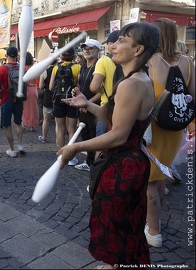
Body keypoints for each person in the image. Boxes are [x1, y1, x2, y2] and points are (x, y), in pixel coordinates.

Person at [59, 22, 160, 268]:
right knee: (126, 223)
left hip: (122, 165)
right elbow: (116, 118)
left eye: (122, 40)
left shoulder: (131, 84)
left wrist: (75, 148)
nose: (112, 46)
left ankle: (114, 264)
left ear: (138, 50)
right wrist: (87, 104)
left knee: (114, 223)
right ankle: (116, 264)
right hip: (130, 163)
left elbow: (118, 135)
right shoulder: (137, 79)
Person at [144, 18, 195, 248]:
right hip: (175, 127)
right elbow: (192, 97)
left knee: (150, 182)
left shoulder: (151, 60)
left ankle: (153, 230)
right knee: (160, 175)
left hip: (153, 127)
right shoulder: (187, 62)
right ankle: (154, 221)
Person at [48, 47, 81, 165]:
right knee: (72, 130)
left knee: (60, 129)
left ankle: (61, 155)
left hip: (58, 101)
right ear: (73, 55)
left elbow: (51, 87)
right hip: (72, 100)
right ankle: (71, 158)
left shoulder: (56, 67)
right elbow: (79, 85)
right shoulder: (77, 67)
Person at [74, 39, 101, 172]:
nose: (87, 50)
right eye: (85, 48)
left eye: (90, 48)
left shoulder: (99, 66)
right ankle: (89, 161)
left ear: (97, 50)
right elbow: (80, 84)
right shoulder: (84, 66)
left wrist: (87, 104)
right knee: (85, 134)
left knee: (94, 135)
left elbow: (102, 92)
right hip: (83, 107)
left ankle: (94, 163)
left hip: (94, 108)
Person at [0, 46, 25, 157]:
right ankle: (20, 145)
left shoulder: (2, 69)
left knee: (7, 125)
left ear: (6, 55)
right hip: (18, 99)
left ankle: (12, 150)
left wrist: (2, 92)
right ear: (17, 55)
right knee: (18, 122)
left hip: (6, 100)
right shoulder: (21, 68)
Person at [91, 30, 121, 138]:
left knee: (101, 148)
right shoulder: (130, 61)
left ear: (112, 44)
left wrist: (102, 90)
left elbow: (94, 87)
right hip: (124, 111)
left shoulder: (103, 61)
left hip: (106, 109)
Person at [38, 58, 57, 143]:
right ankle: (58, 139)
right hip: (58, 96)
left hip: (48, 96)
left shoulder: (44, 71)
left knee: (46, 119)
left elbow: (40, 86)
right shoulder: (59, 69)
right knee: (58, 120)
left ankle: (44, 137)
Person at [22, 52, 39, 132]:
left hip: (25, 90)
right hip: (34, 89)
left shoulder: (22, 68)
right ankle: (32, 126)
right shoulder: (34, 67)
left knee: (24, 108)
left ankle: (24, 124)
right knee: (33, 108)